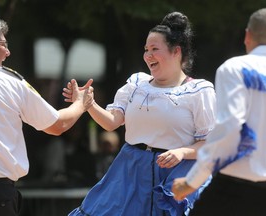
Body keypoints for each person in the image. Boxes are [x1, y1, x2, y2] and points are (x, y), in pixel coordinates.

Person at [63, 11, 216, 216]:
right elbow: (112, 123)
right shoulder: (136, 83)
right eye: (146, 49)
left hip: (175, 173)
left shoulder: (199, 90)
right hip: (130, 170)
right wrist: (88, 104)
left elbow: (210, 144)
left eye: (154, 49)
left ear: (176, 51)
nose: (148, 55)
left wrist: (182, 152)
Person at [0, 13, 93, 216]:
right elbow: (56, 125)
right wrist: (81, 103)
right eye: (3, 44)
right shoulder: (10, 81)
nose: (8, 52)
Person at [172, 8, 266, 216]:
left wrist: (192, 181)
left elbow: (230, 126)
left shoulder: (236, 68)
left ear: (247, 36)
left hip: (236, 190)